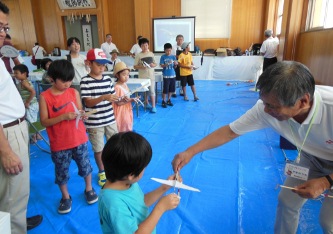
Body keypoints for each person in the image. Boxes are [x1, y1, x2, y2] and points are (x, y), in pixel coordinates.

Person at [171, 61, 333, 233]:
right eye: (263, 102)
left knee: (327, 221)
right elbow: (229, 132)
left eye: (273, 106)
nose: (265, 110)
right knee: (287, 201)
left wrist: (325, 182)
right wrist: (190, 151)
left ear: (303, 101)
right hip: (310, 157)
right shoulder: (266, 109)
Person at [0, 2, 42, 233]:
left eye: (6, 28)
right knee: (11, 196)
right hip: (6, 133)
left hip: (15, 128)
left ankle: (18, 220)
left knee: (15, 191)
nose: (4, 33)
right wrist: (5, 151)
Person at [39, 59, 98, 214]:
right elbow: (44, 121)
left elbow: (79, 111)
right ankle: (65, 197)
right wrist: (63, 117)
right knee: (61, 172)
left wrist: (82, 115)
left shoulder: (73, 92)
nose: (67, 84)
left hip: (79, 139)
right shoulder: (45, 97)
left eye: (70, 80)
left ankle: (89, 189)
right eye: (64, 81)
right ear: (52, 79)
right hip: (59, 143)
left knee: (85, 166)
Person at [99, 131, 180, 234]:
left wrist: (164, 187)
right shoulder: (113, 204)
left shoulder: (125, 181)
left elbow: (140, 202)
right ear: (132, 174)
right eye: (144, 168)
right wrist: (160, 208)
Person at [80, 48, 119, 186]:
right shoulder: (85, 81)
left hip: (110, 119)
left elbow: (113, 98)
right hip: (95, 122)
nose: (102, 68)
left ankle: (114, 169)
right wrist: (103, 97)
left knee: (115, 145)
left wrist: (122, 100)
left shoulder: (108, 79)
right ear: (89, 63)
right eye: (99, 64)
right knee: (99, 149)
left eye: (104, 65)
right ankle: (102, 172)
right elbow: (88, 102)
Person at [12, 64, 40, 142]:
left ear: (24, 74)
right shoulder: (23, 82)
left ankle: (33, 137)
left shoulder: (24, 83)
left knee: (31, 121)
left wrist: (27, 102)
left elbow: (33, 92)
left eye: (16, 73)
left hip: (31, 105)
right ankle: (37, 135)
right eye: (14, 73)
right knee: (34, 120)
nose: (15, 75)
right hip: (32, 104)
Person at [133, 37, 157, 113]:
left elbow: (155, 63)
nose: (145, 47)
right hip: (142, 77)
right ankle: (146, 103)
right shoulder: (138, 55)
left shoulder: (151, 54)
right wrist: (141, 67)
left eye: (146, 45)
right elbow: (135, 66)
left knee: (152, 91)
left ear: (148, 45)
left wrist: (153, 65)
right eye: (143, 45)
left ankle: (153, 106)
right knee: (145, 92)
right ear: (140, 46)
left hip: (151, 76)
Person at [113, 62, 137, 132]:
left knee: (127, 124)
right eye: (124, 75)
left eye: (128, 75)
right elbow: (118, 103)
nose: (126, 77)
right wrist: (130, 100)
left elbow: (126, 97)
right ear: (117, 75)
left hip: (127, 109)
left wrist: (131, 99)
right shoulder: (117, 87)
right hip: (121, 111)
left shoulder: (125, 84)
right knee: (122, 127)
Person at [160, 43, 177, 108]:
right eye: (167, 50)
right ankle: (163, 100)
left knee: (171, 89)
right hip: (166, 75)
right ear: (164, 50)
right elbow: (161, 65)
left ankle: (169, 99)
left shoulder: (173, 56)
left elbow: (175, 67)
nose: (168, 52)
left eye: (170, 50)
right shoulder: (163, 57)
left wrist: (175, 64)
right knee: (165, 89)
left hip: (173, 75)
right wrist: (167, 64)